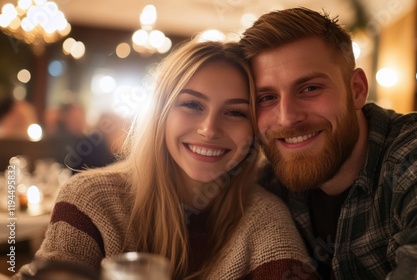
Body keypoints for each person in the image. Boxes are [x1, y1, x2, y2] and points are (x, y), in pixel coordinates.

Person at [14, 41, 317, 279]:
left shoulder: (264, 217)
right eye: (191, 104)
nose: (209, 129)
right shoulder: (90, 199)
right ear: (160, 114)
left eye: (235, 112)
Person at [239, 7, 417, 280]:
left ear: (357, 90)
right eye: (266, 97)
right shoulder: (267, 184)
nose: (288, 118)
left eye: (310, 88)